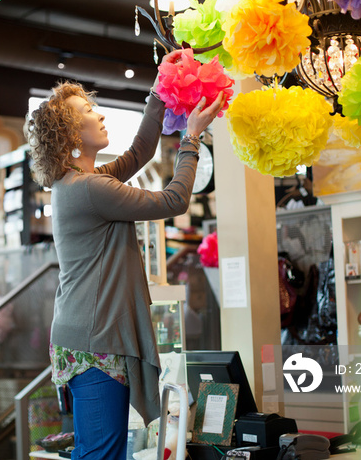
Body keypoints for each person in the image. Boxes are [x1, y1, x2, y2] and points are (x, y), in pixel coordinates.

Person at [25, 49, 226, 459]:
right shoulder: (88, 189)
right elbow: (173, 200)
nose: (100, 114)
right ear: (68, 132)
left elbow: (139, 155)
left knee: (101, 450)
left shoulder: (80, 182)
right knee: (103, 453)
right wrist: (190, 140)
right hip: (94, 338)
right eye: (88, 110)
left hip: (86, 334)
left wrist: (159, 91)